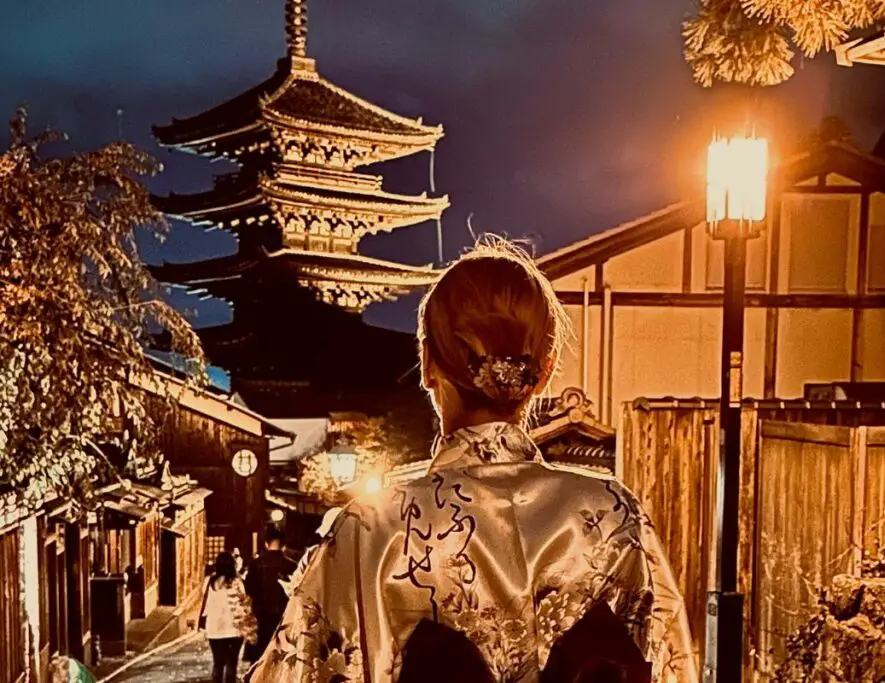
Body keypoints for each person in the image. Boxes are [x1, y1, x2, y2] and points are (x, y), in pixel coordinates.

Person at [247, 238, 697, 683]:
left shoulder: (373, 528)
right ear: (544, 369)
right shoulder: (614, 515)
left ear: (426, 363)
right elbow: (671, 666)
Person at [200, 552, 256, 683]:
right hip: (234, 629)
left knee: (218, 664)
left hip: (214, 629)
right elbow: (244, 603)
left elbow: (206, 603)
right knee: (232, 663)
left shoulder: (209, 582)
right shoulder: (238, 582)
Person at [243, 525, 296, 661]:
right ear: (283, 545)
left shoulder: (255, 565)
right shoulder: (291, 565)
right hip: (285, 615)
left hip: (261, 615)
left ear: (266, 544)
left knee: (260, 656)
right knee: (282, 655)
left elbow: (249, 589)